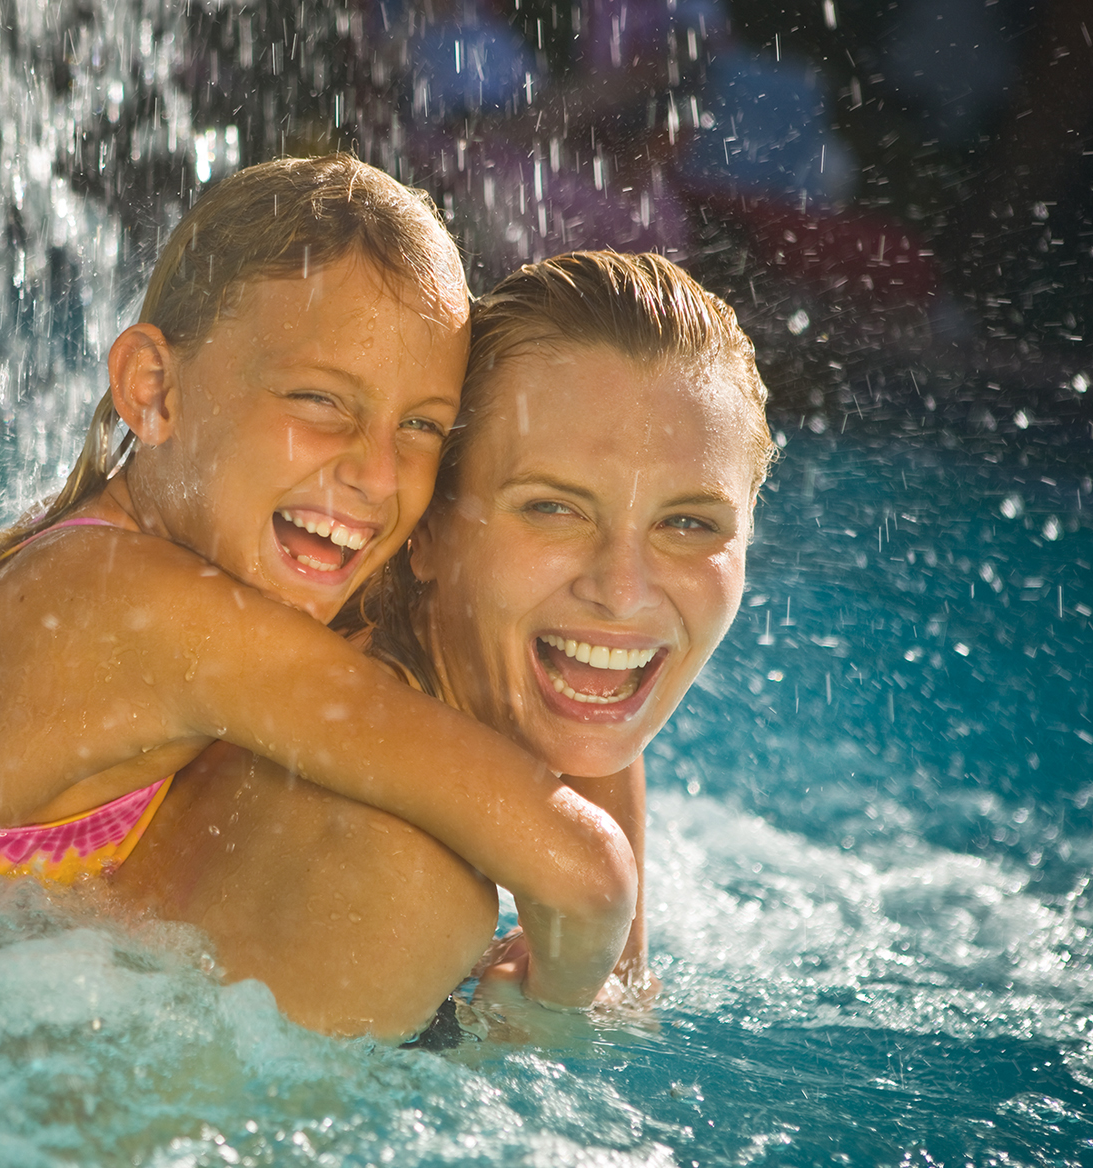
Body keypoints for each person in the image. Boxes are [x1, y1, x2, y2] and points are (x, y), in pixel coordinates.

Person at [0, 157, 638, 1013]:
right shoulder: (129, 605)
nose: (378, 475)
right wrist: (554, 1007)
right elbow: (584, 876)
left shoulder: (133, 540)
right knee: (423, 880)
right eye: (321, 402)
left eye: (421, 426)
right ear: (153, 391)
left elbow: (573, 698)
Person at [110, 250, 777, 1040]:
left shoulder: (542, 675)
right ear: (426, 531)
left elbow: (602, 746)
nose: (624, 593)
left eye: (688, 523)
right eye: (554, 510)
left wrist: (603, 968)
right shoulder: (395, 881)